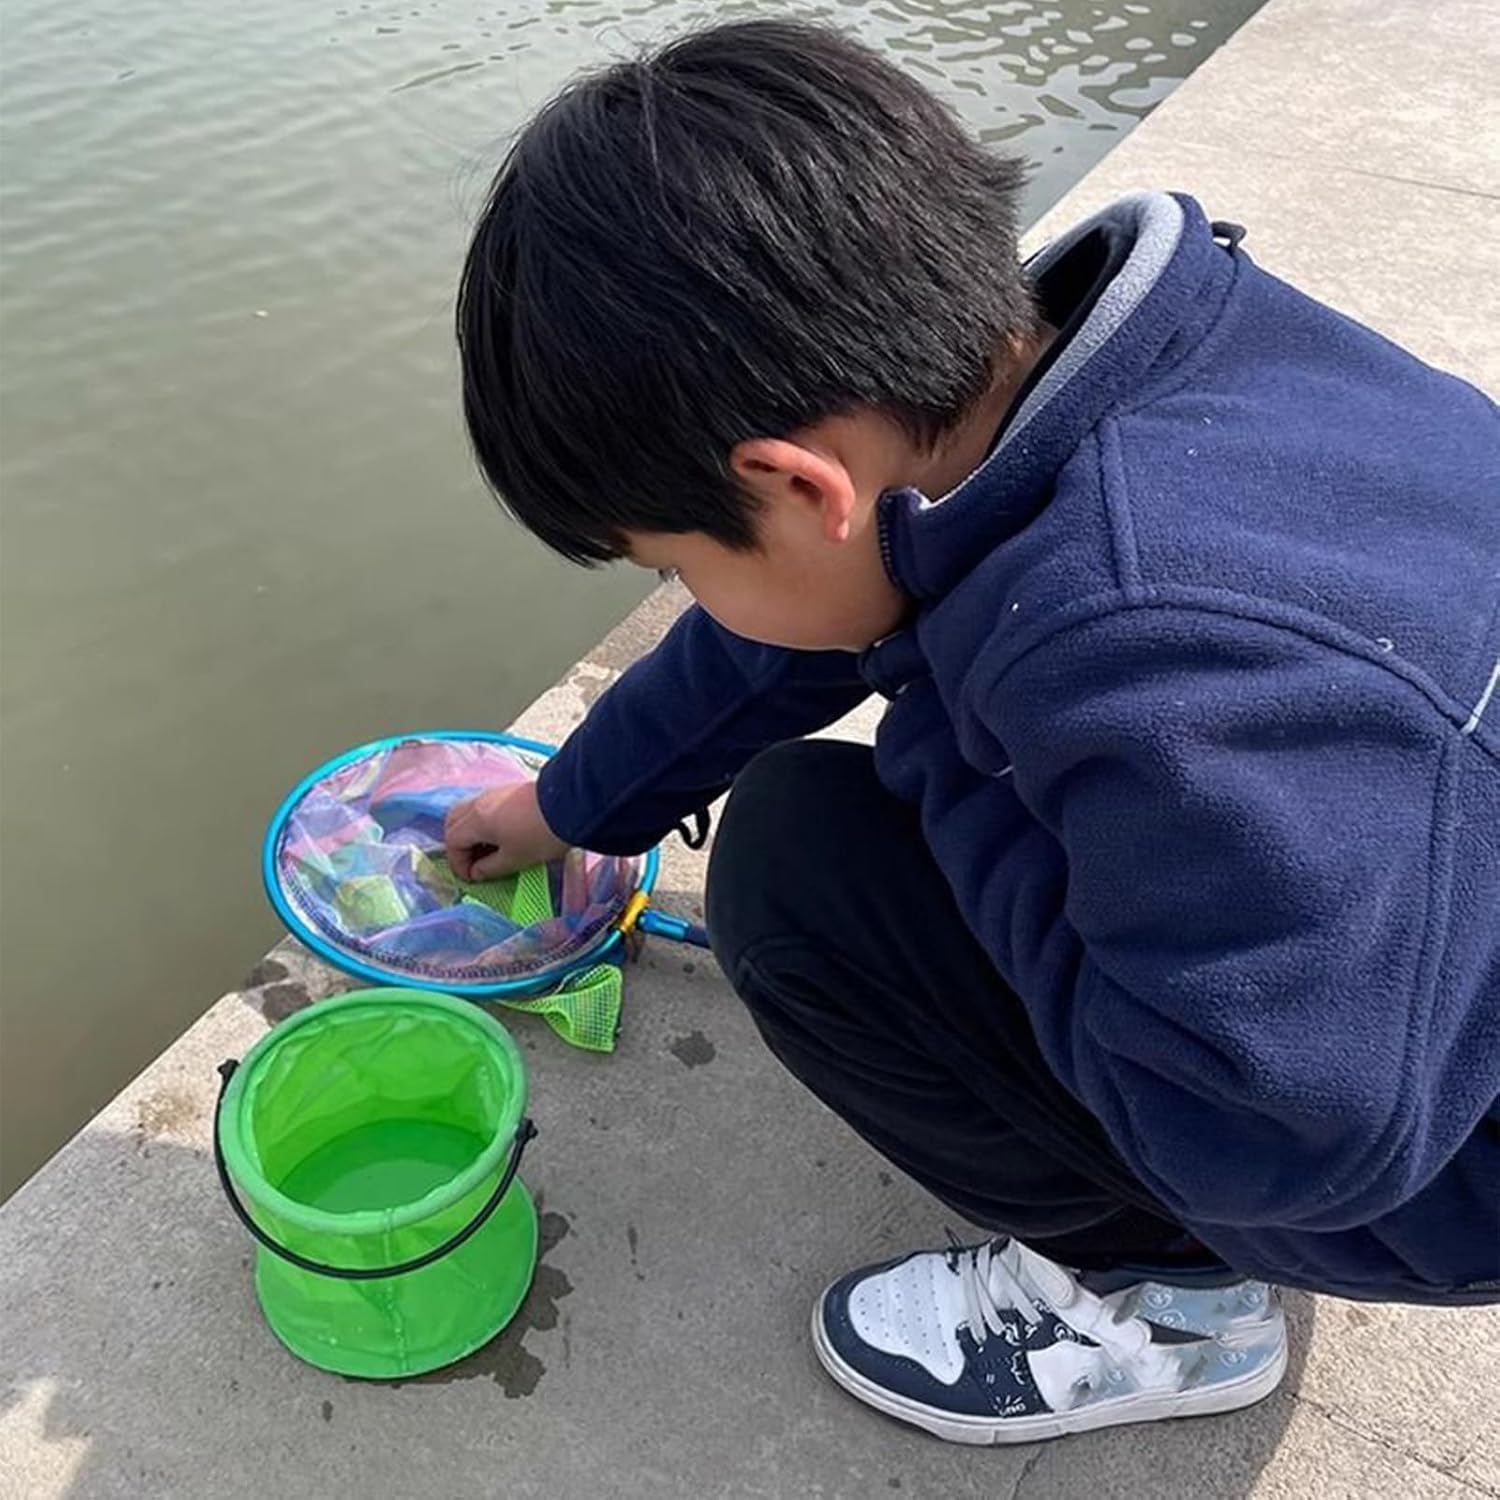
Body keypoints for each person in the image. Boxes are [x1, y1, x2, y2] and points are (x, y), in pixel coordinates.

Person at [444, 19, 1500, 1445]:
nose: (689, 594)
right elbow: (807, 613)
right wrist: (575, 803)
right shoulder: (1128, 353)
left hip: (1418, 1144)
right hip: (1398, 928)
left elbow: (1269, 1139)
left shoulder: (1143, 653)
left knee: (796, 884)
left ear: (798, 485)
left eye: (676, 564)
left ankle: (1172, 1306)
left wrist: (946, 725)